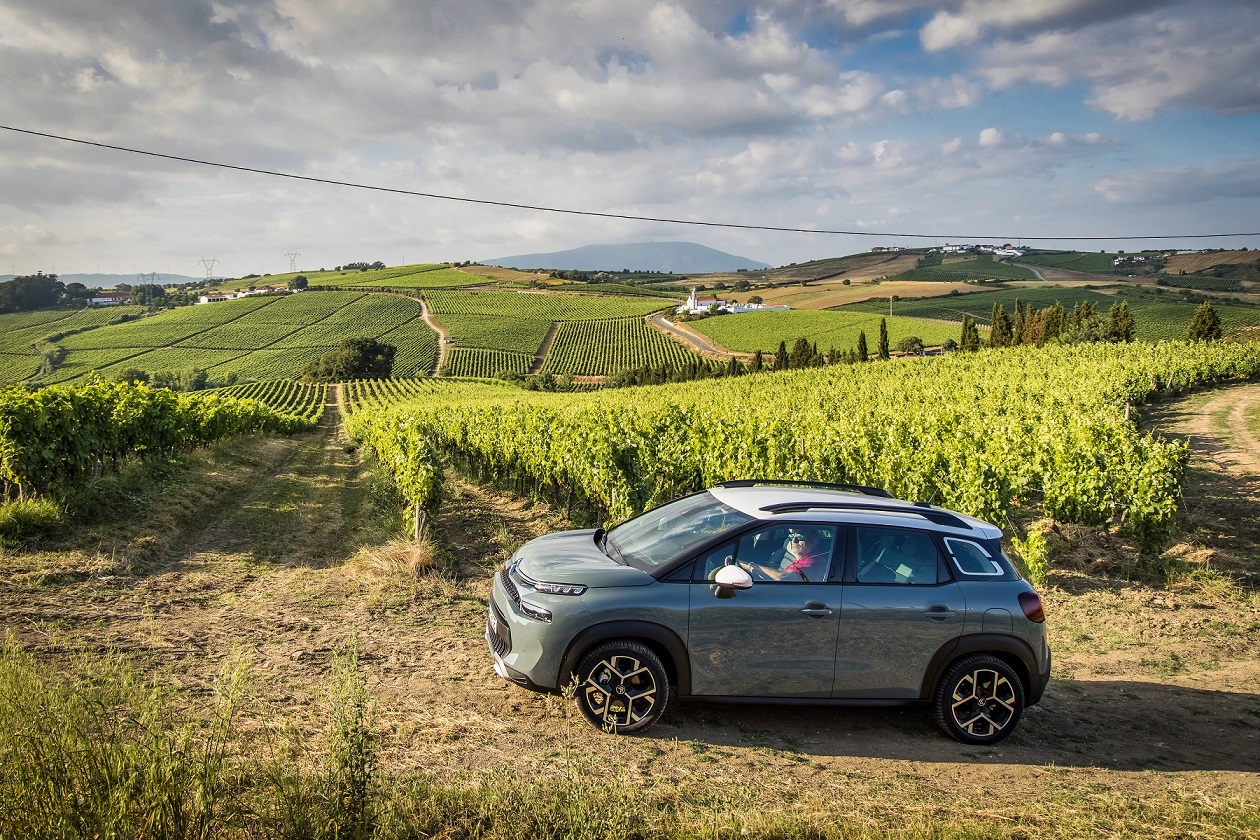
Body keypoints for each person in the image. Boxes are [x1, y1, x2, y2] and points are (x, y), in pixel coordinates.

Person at [744, 530, 828, 581]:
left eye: (800, 536)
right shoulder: (801, 560)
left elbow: (781, 577)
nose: (794, 540)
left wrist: (749, 566)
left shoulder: (812, 563)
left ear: (814, 541)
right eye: (791, 536)